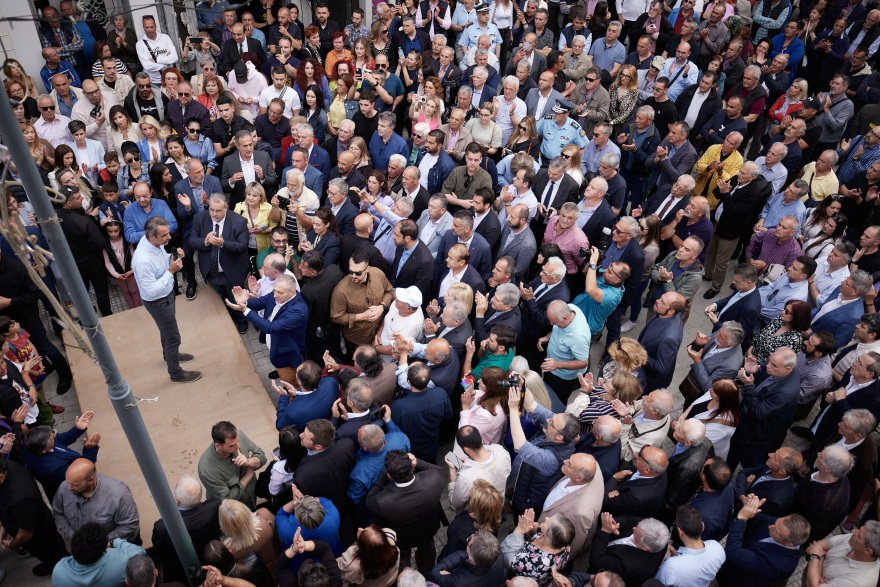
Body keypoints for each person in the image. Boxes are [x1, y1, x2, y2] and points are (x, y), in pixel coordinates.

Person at [131, 215, 201, 382]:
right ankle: (176, 373)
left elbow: (162, 255)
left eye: (168, 233)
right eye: (165, 235)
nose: (169, 237)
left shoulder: (153, 242)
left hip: (166, 294)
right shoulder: (142, 261)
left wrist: (174, 253)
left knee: (166, 331)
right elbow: (151, 291)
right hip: (158, 301)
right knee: (173, 337)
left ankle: (170, 355)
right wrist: (171, 271)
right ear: (151, 236)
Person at [366, 450, 446, 574]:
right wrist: (418, 462)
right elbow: (441, 471)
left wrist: (385, 475)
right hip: (428, 530)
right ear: (411, 467)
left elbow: (369, 500)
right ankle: (428, 573)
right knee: (428, 551)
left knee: (403, 557)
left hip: (403, 538)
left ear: (389, 475)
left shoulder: (382, 501)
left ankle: (406, 575)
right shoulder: (433, 479)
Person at [728, 347, 800, 469]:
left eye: (774, 365)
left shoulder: (785, 393)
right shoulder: (781, 366)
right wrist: (754, 370)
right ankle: (726, 473)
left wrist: (748, 386)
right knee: (732, 452)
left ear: (787, 369)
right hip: (747, 423)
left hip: (757, 434)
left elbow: (758, 411)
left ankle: (748, 483)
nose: (768, 366)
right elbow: (764, 371)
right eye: (769, 361)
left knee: (750, 464)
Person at [0, 456, 68, 577]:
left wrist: (11, 544)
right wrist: (4, 526)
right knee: (55, 549)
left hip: (39, 536)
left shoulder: (19, 499)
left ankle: (63, 569)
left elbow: (26, 534)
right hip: (39, 518)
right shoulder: (7, 465)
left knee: (53, 554)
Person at [150, 475, 222, 584]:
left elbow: (158, 548)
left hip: (179, 575)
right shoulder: (215, 506)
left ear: (177, 500)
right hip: (212, 563)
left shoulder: (162, 527)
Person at [53, 458, 140, 542]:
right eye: (68, 482)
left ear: (91, 480)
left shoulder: (119, 495)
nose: (69, 488)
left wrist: (100, 544)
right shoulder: (64, 487)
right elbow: (58, 514)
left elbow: (129, 525)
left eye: (75, 485)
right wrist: (74, 537)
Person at [197, 421, 267, 510]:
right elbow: (228, 499)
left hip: (251, 496)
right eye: (232, 446)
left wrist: (249, 462)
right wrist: (249, 474)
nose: (238, 446)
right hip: (235, 511)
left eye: (238, 441)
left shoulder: (238, 435)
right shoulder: (207, 469)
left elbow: (261, 456)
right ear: (218, 445)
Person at [52, 522, 146, 587]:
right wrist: (114, 541)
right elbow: (141, 552)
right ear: (104, 548)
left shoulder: (58, 572)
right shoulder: (124, 562)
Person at [391, 361, 453, 460]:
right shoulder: (441, 394)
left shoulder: (399, 406)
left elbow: (395, 430)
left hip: (411, 450)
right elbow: (449, 415)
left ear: (409, 382)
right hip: (432, 445)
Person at [588, 514, 669, 586]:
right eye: (637, 525)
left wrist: (605, 531)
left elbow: (596, 561)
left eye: (636, 532)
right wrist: (614, 524)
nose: (633, 528)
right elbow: (629, 519)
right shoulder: (652, 530)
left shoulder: (631, 567)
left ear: (644, 548)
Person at [656, 505, 726, 586]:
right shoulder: (717, 547)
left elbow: (657, 583)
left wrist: (664, 558)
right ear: (702, 526)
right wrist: (675, 553)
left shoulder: (670, 567)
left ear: (680, 531)